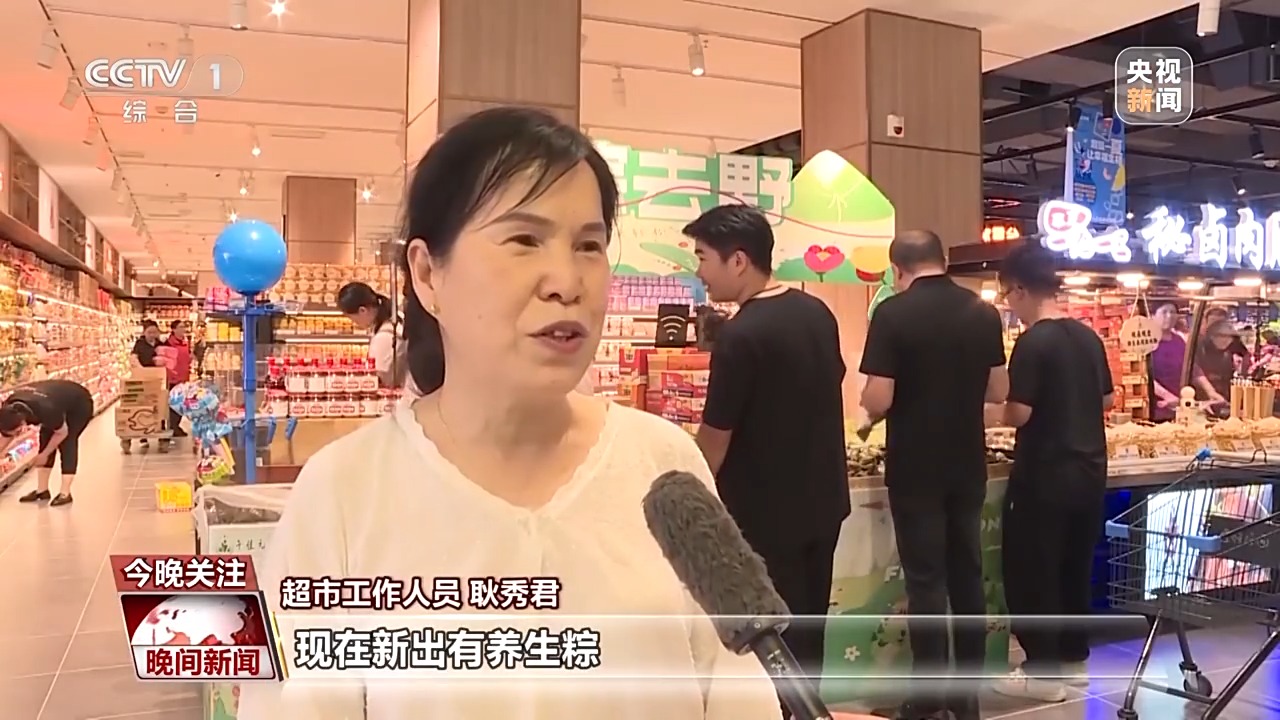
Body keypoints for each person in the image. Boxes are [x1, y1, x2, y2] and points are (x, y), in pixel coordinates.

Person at [236, 107, 779, 720]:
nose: (566, 281)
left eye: (589, 245)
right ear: (427, 273)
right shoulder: (344, 492)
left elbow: (739, 693)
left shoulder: (663, 464)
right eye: (524, 240)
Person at [685, 204, 849, 689]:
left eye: (703, 257)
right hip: (823, 503)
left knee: (767, 638)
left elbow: (715, 438)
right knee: (809, 626)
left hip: (765, 514)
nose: (699, 271)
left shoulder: (741, 335)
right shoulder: (817, 312)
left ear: (738, 261)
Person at [857, 230, 1007, 720]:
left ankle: (927, 697)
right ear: (942, 260)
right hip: (967, 462)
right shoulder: (982, 312)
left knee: (926, 582)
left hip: (915, 465)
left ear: (896, 270)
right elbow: (998, 390)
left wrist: (867, 407)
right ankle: (967, 696)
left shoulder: (892, 313)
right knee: (967, 576)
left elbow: (880, 396)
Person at [984, 243, 1111, 703]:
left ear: (1019, 289)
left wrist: (983, 414)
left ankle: (1041, 671)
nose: (1009, 305)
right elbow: (1106, 400)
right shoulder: (1087, 337)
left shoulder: (1034, 342)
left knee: (1033, 570)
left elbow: (1019, 413)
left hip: (1045, 475)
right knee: (1074, 567)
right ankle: (1074, 662)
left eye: (1007, 295)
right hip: (1090, 471)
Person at [0, 379, 95, 506]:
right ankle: (42, 491)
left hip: (79, 404)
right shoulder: (8, 410)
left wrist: (44, 454)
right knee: (45, 436)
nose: (16, 435)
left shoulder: (46, 409)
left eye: (18, 431)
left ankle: (65, 493)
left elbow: (62, 433)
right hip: (53, 399)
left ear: (23, 422)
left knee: (67, 441)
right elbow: (7, 434)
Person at [336, 281, 418, 394]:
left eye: (352, 318)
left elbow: (378, 379)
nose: (355, 323)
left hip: (393, 396)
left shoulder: (383, 338)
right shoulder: (394, 321)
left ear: (362, 310)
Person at [160, 320, 192, 441]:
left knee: (181, 403)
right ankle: (172, 426)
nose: (183, 329)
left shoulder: (185, 342)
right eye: (180, 327)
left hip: (183, 377)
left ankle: (175, 425)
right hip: (172, 377)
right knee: (173, 403)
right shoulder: (168, 343)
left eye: (184, 327)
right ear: (173, 329)